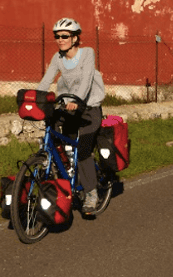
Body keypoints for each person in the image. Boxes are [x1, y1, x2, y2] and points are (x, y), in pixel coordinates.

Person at [36, 17, 105, 215]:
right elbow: (46, 80)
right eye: (57, 36)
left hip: (88, 109)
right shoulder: (58, 58)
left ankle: (92, 193)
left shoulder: (87, 54)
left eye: (65, 36)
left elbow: (86, 79)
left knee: (82, 150)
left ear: (75, 38)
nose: (60, 39)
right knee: (58, 143)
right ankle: (65, 182)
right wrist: (35, 98)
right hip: (69, 108)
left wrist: (78, 99)